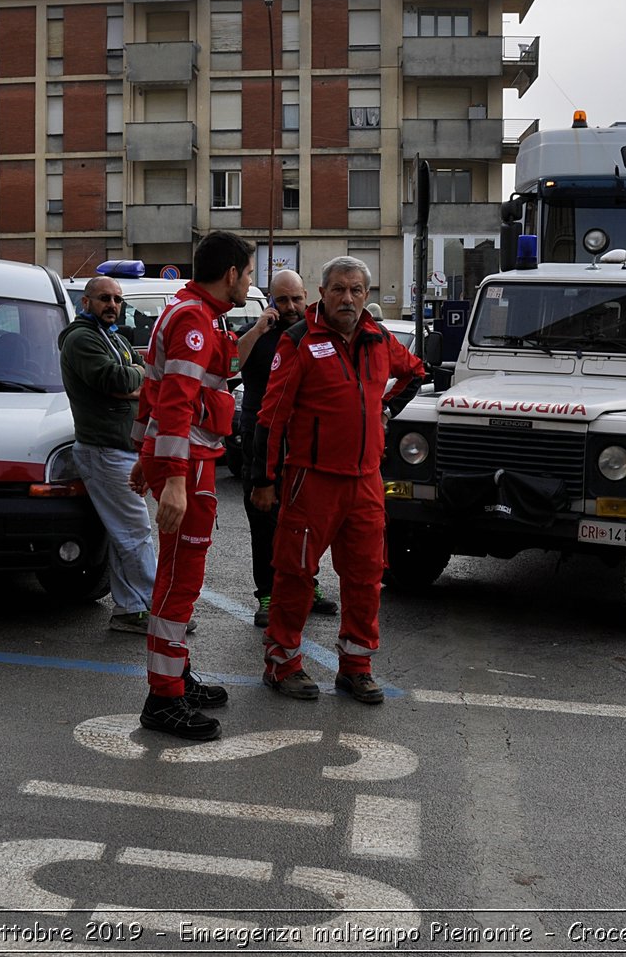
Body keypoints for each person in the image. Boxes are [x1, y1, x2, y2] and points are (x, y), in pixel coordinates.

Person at [251, 256, 425, 705]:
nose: (347, 298)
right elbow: (270, 419)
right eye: (338, 290)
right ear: (322, 293)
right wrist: (264, 480)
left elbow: (415, 373)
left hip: (366, 482)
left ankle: (356, 667)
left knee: (366, 577)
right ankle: (282, 663)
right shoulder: (299, 342)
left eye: (356, 290)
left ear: (366, 296)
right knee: (295, 574)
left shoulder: (379, 338)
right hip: (311, 481)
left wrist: (385, 410)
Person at [134, 231, 255, 740]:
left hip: (187, 460)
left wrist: (145, 457)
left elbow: (154, 389)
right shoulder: (193, 320)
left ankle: (175, 676)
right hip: (193, 464)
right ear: (230, 274)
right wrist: (176, 482)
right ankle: (163, 699)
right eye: (248, 273)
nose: (250, 281)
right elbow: (176, 403)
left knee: (179, 576)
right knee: (179, 581)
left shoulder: (195, 313)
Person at [235, 270, 338, 627]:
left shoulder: (314, 333)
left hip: (302, 439)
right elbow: (232, 364)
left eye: (296, 299)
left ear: (307, 295)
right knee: (263, 519)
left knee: (305, 519)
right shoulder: (258, 333)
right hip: (259, 437)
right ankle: (267, 593)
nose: (291, 306)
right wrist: (260, 328)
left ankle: (307, 584)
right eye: (283, 300)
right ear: (270, 302)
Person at [58, 275, 159, 633]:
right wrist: (137, 377)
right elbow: (116, 381)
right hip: (104, 450)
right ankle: (156, 610)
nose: (112, 305)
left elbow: (131, 378)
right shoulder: (83, 339)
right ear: (86, 302)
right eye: (104, 298)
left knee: (125, 531)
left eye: (117, 299)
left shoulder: (111, 336)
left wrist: (133, 378)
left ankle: (132, 609)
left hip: (118, 449)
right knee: (135, 531)